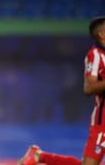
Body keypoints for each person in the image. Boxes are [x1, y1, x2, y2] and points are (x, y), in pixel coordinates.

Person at [18, 16, 105, 165]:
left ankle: (39, 155)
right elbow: (89, 87)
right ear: (101, 34)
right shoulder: (96, 55)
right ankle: (40, 156)